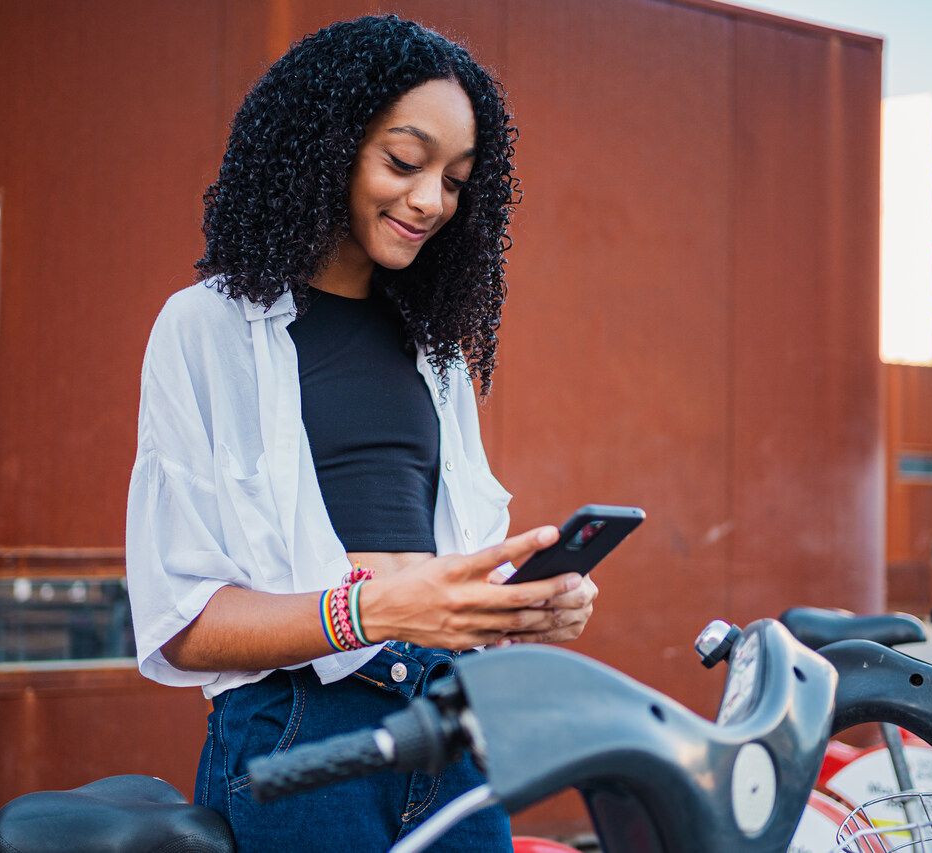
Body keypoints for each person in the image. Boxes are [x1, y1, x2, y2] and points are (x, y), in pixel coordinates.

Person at [124, 15, 599, 852]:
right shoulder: (204, 330)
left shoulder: (437, 351)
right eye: (405, 163)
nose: (431, 201)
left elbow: (439, 578)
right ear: (325, 147)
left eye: (457, 180)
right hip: (302, 734)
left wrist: (517, 607)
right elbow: (184, 625)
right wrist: (366, 610)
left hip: (451, 725)